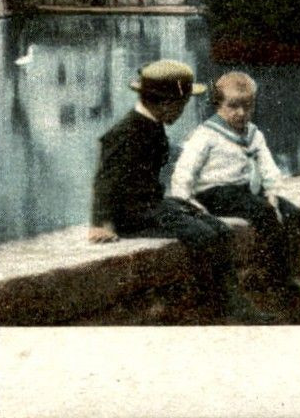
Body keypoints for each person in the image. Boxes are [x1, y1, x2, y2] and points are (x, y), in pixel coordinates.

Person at [88, 59, 268, 322]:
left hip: (152, 205)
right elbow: (105, 179)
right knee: (203, 235)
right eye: (181, 107)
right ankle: (227, 306)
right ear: (165, 103)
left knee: (217, 227)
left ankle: (232, 301)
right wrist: (98, 223)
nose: (181, 113)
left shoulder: (151, 124)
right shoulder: (125, 132)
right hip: (132, 216)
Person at [170, 70, 300, 296]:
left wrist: (273, 193)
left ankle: (288, 272)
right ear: (218, 105)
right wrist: (186, 202)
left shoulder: (254, 134)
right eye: (233, 106)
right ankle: (278, 278)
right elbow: (184, 171)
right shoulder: (205, 135)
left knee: (291, 213)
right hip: (213, 193)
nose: (241, 113)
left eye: (248, 106)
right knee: (264, 213)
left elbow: (268, 166)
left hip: (242, 192)